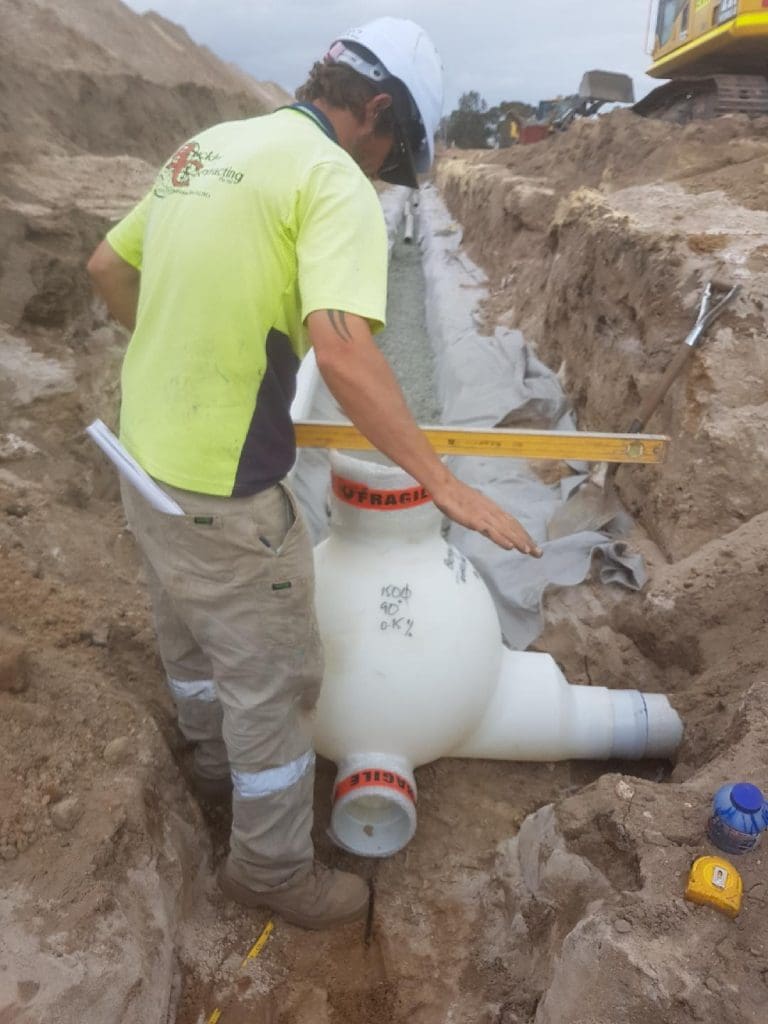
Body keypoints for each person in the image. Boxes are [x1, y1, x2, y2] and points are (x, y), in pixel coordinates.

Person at [87, 17, 542, 931]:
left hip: (143, 456)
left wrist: (188, 356)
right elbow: (342, 349)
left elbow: (106, 267)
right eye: (393, 152)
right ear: (375, 110)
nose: (384, 173)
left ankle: (207, 767)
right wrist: (445, 485)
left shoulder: (210, 146)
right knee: (279, 677)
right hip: (226, 489)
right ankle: (271, 865)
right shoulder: (332, 181)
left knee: (185, 625)